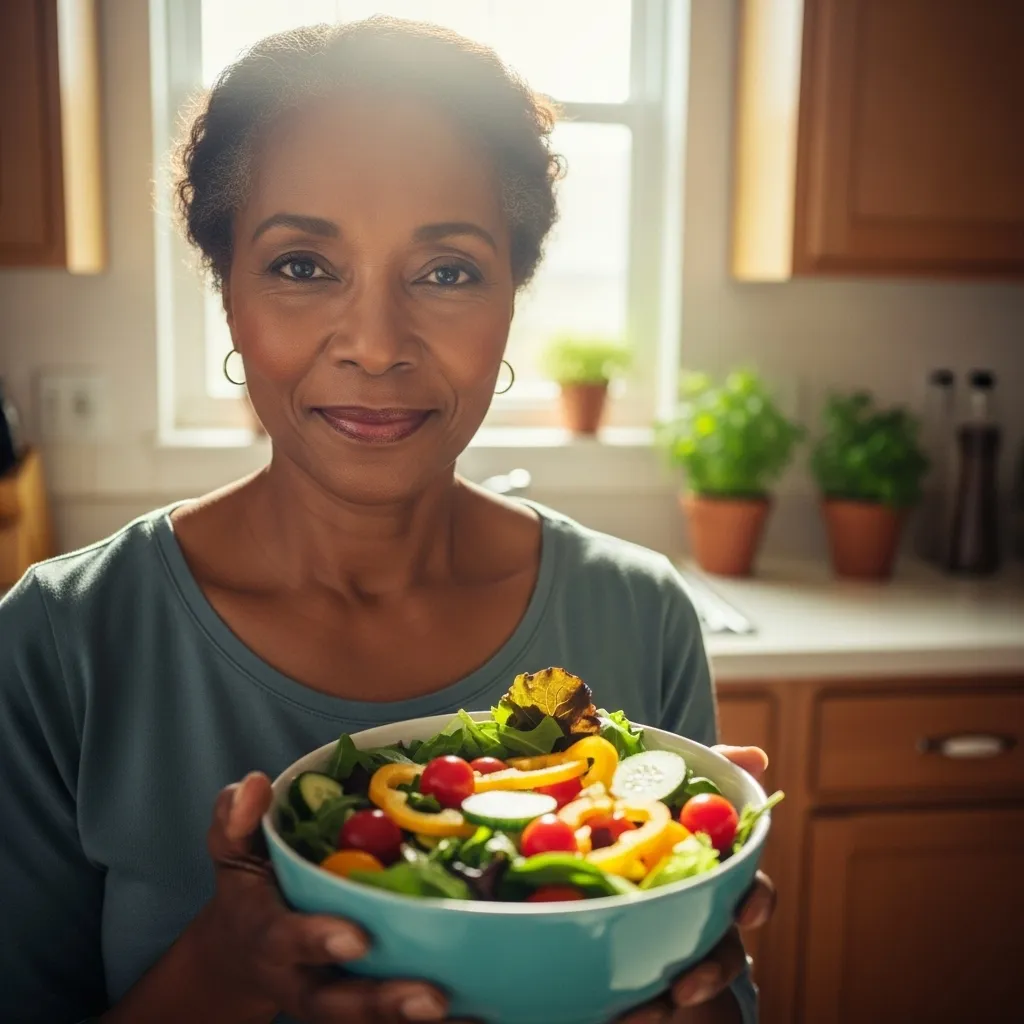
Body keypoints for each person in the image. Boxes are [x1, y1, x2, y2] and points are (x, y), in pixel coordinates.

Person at [0, 17, 773, 1024]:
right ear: (229, 297)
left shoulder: (638, 612)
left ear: (508, 301)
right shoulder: (57, 643)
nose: (375, 342)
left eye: (446, 271)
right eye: (302, 265)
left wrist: (694, 976)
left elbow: (723, 1005)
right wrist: (220, 974)